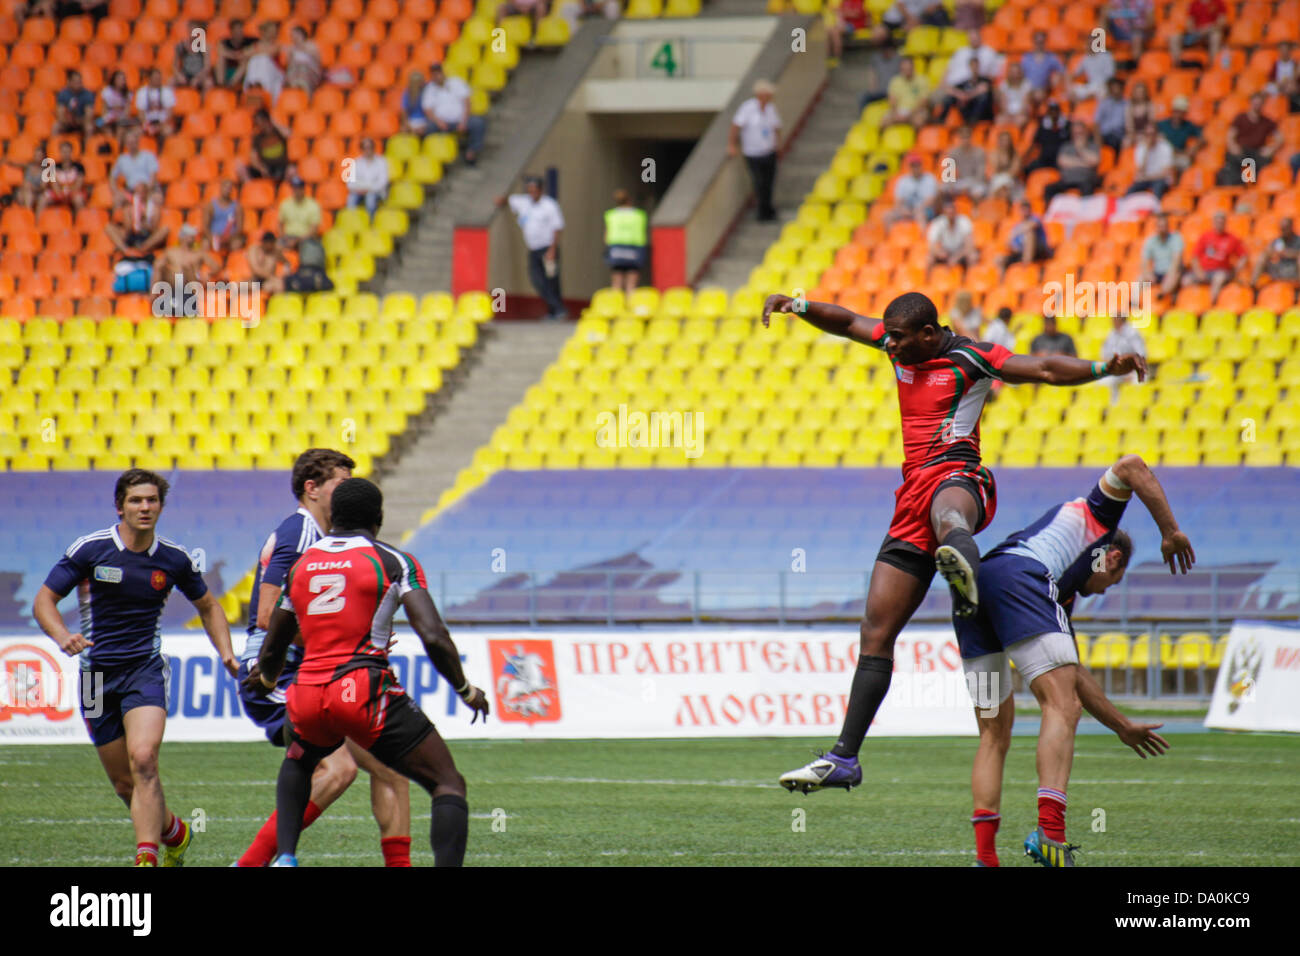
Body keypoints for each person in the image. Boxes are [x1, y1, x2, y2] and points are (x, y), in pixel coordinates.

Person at [763, 291, 1147, 794]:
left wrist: (1102, 367)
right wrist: (798, 305)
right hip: (910, 501)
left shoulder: (971, 358)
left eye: (900, 337)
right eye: (890, 336)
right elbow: (848, 321)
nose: (891, 345)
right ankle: (845, 758)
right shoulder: (894, 342)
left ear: (928, 333)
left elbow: (1047, 368)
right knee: (875, 631)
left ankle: (961, 568)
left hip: (960, 478)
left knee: (948, 515)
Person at [958, 454, 1192, 866]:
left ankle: (985, 858)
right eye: (1111, 582)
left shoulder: (1061, 593)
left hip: (975, 588)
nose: (1101, 591)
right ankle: (1051, 833)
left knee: (993, 734)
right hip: (1019, 576)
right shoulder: (1099, 518)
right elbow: (1133, 465)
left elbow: (1076, 675)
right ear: (1113, 560)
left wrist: (1121, 726)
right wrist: (1170, 532)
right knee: (1060, 706)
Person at [244, 477, 490, 867]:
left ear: (334, 515)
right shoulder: (393, 560)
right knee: (447, 782)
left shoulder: (303, 564)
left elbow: (274, 643)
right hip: (361, 688)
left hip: (307, 691)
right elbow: (433, 635)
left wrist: (269, 679)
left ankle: (286, 857)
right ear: (378, 517)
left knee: (299, 760)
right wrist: (464, 688)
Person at [32, 469, 237, 867]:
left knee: (143, 759)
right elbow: (44, 600)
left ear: (161, 505)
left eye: (152, 500)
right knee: (125, 785)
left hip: (144, 670)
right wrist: (62, 637)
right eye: (136, 500)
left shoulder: (174, 559)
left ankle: (147, 859)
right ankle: (176, 832)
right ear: (120, 506)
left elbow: (209, 606)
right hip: (93, 678)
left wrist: (226, 652)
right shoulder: (90, 550)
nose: (145, 507)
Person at [234, 451, 412, 868]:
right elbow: (265, 614)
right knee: (338, 770)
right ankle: (253, 863)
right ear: (311, 489)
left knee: (385, 766)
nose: (347, 490)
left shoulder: (322, 537)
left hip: (313, 669)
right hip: (278, 671)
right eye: (338, 482)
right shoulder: (301, 533)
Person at [494, 176, 567, 319]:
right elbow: (507, 200)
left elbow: (557, 228)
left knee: (552, 281)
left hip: (548, 249)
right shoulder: (524, 202)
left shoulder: (549, 205)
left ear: (541, 190)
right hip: (533, 249)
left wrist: (552, 250)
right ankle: (556, 309)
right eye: (530, 191)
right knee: (536, 280)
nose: (532, 193)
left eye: (535, 190)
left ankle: (556, 310)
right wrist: (500, 200)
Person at [729, 79, 782, 222]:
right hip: (753, 153)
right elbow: (735, 126)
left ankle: (768, 210)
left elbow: (776, 128)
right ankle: (762, 211)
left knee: (769, 182)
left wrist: (778, 145)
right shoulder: (747, 108)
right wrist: (732, 145)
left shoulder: (771, 108)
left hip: (769, 151)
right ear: (760, 94)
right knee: (759, 182)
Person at [421, 63, 487, 166]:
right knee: (429, 127)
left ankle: (471, 152)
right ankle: (434, 156)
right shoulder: (430, 88)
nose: (437, 76)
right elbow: (428, 110)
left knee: (478, 123)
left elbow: (467, 102)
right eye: (434, 74)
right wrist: (439, 122)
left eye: (438, 73)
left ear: (443, 73)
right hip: (441, 122)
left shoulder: (456, 82)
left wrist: (463, 122)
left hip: (460, 120)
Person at [1219, 92, 1282, 184]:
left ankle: (1249, 184)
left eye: (1259, 104)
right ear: (1251, 103)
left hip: (1256, 152)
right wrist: (1233, 146)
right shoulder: (1240, 118)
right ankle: (1245, 183)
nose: (1257, 106)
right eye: (1255, 103)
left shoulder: (1267, 121)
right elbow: (1230, 136)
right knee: (1237, 159)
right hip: (1242, 151)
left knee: (1261, 161)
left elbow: (1280, 138)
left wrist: (1271, 149)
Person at [1184, 211, 1245, 303]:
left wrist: (1236, 270)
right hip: (1204, 271)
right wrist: (1199, 273)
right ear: (1213, 222)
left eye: (1221, 222)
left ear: (1225, 223)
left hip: (1221, 271)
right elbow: (1194, 257)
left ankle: (1211, 304)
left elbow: (1244, 256)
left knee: (1219, 278)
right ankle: (1190, 305)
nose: (1219, 224)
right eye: (1217, 221)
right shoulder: (1205, 236)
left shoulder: (1231, 238)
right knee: (1186, 280)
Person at [1042, 122, 1100, 203]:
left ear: (1086, 132)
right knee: (1049, 189)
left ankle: (1086, 212)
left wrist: (1080, 149)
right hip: (1067, 180)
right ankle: (1050, 212)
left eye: (1080, 133)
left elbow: (1095, 161)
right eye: (1075, 133)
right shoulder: (1066, 146)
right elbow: (1062, 161)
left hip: (1086, 179)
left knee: (1087, 188)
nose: (1078, 136)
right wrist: (1084, 163)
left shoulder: (1092, 146)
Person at [604, 188, 648, 292]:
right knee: (631, 284)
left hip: (616, 249)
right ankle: (630, 305)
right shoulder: (640, 215)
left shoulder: (611, 215)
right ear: (630, 200)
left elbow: (606, 235)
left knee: (616, 284)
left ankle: (615, 306)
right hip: (634, 249)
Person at [154, 224, 219, 288]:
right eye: (190, 236)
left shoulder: (199, 253)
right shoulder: (170, 251)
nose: (193, 238)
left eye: (193, 236)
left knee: (186, 268)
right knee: (159, 266)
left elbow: (216, 267)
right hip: (172, 283)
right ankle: (153, 296)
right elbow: (157, 264)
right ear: (182, 237)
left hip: (191, 284)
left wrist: (207, 274)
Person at [1101, 314, 1147, 401]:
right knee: (1103, 382)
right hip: (1116, 369)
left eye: (1114, 318)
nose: (1112, 321)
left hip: (1132, 369)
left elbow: (1141, 355)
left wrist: (1130, 371)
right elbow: (1105, 356)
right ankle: (1112, 408)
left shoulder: (1133, 333)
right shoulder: (1111, 334)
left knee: (1138, 383)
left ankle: (1135, 406)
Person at [1140, 212, 1185, 298]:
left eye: (1164, 226)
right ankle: (1133, 301)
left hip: (1171, 272)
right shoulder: (1150, 241)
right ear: (1156, 227)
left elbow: (1176, 261)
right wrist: (1148, 274)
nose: (1162, 229)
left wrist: (1169, 275)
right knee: (1141, 278)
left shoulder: (1176, 238)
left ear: (1168, 227)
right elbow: (1144, 262)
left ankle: (1162, 296)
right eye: (1160, 226)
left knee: (1174, 276)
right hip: (1157, 272)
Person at [1169, 0, 1227, 66]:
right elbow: (1189, 23)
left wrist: (1208, 29)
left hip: (1210, 32)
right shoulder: (1194, 3)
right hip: (1196, 33)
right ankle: (1178, 64)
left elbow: (1222, 22)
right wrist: (1195, 31)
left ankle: (1212, 65)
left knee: (1216, 36)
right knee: (1174, 38)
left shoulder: (1218, 2)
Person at [886, 153, 939, 224]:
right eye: (913, 166)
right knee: (888, 216)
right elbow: (898, 201)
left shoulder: (929, 178)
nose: (915, 168)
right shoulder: (903, 180)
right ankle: (891, 235)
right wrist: (903, 210)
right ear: (909, 167)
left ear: (921, 165)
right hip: (908, 209)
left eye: (917, 165)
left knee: (920, 215)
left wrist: (917, 209)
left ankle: (922, 235)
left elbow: (931, 200)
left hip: (925, 209)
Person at [1000, 199, 1051, 272]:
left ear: (1030, 209)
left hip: (1039, 251)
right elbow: (1010, 243)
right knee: (1000, 259)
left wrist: (1015, 233)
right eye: (1022, 209)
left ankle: (1026, 266)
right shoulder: (1017, 225)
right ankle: (1003, 281)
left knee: (1029, 234)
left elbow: (1031, 225)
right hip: (1022, 252)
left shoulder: (1035, 218)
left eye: (1026, 208)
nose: (1024, 211)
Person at [240, 109, 290, 184]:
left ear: (266, 120)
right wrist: (261, 169)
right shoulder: (257, 137)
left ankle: (284, 191)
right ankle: (251, 191)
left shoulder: (278, 132)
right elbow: (253, 157)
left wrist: (274, 123)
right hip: (265, 168)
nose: (258, 124)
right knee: (241, 168)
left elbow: (289, 134)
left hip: (281, 167)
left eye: (259, 121)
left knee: (291, 170)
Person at [38, 140, 87, 215]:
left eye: (67, 151)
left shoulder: (79, 167)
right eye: (63, 151)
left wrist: (69, 192)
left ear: (71, 152)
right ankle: (37, 223)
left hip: (73, 192)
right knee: (42, 198)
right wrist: (61, 193)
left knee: (78, 200)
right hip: (58, 192)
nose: (65, 154)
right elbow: (54, 184)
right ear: (60, 152)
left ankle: (80, 222)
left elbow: (78, 184)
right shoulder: (53, 166)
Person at [109, 130, 159, 204]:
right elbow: (112, 177)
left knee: (157, 199)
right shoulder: (122, 159)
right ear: (126, 144)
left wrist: (144, 190)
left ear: (138, 142)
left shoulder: (148, 155)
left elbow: (153, 177)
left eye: (133, 142)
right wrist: (116, 192)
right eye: (129, 143)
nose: (132, 145)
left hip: (147, 189)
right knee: (117, 200)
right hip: (131, 191)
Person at [1156, 95, 1203, 172]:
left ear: (1185, 113)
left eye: (1181, 112)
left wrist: (1193, 149)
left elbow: (1202, 138)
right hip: (1163, 156)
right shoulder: (1163, 124)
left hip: (1178, 155)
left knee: (1186, 163)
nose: (1178, 115)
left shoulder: (1188, 126)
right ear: (1172, 111)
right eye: (1176, 111)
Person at [881, 55, 930, 129]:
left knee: (918, 121)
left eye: (909, 69)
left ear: (913, 68)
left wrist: (910, 114)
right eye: (905, 69)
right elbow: (892, 100)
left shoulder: (922, 80)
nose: (907, 71)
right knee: (883, 122)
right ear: (901, 69)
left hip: (916, 110)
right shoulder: (895, 81)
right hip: (899, 110)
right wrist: (896, 113)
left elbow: (923, 102)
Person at [926, 197, 977, 268]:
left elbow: (969, 245)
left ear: (956, 211)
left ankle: (970, 277)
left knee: (972, 256)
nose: (950, 215)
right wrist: (940, 252)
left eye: (952, 212)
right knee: (929, 258)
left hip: (961, 252)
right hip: (945, 252)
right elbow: (932, 246)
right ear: (944, 213)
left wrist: (956, 257)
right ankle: (928, 278)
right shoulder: (937, 223)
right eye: (948, 213)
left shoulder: (964, 221)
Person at [1127, 125, 1175, 198]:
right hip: (1147, 179)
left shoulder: (1165, 147)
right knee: (1131, 190)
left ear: (1157, 134)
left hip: (1160, 179)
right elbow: (1140, 171)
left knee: (1157, 188)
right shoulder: (1141, 148)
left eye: (1152, 134)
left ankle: (1157, 208)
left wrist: (1146, 177)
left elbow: (1166, 173)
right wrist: (1146, 150)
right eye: (1147, 134)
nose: (1150, 137)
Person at [1023, 100, 1070, 173]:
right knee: (1028, 169)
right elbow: (1035, 143)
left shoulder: (1067, 126)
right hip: (1045, 159)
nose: (1053, 113)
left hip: (1061, 159)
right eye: (1051, 111)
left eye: (1055, 110)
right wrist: (1025, 158)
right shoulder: (1042, 127)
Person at [346, 137, 389, 218]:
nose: (367, 150)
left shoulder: (381, 162)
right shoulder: (357, 162)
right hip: (359, 192)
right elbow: (350, 184)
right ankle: (351, 221)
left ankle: (370, 222)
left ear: (373, 148)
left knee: (370, 198)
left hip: (376, 193)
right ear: (361, 149)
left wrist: (365, 188)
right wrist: (365, 188)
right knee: (351, 199)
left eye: (369, 147)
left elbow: (382, 183)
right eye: (365, 148)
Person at [244, 21, 285, 104]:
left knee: (263, 59)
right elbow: (244, 53)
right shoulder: (256, 45)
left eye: (274, 32)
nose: (273, 34)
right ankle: (254, 85)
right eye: (270, 31)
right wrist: (257, 51)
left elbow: (271, 52)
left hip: (276, 75)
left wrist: (255, 51)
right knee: (254, 60)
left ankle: (263, 87)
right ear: (264, 32)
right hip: (260, 73)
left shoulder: (277, 44)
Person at [943, 124, 987, 199]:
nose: (965, 140)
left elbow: (980, 174)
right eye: (963, 137)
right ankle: (949, 208)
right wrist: (951, 185)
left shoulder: (979, 152)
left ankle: (975, 210)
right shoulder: (953, 152)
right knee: (943, 188)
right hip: (961, 181)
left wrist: (969, 186)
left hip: (975, 181)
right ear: (959, 138)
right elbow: (949, 173)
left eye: (967, 137)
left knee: (979, 190)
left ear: (971, 137)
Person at [1251, 217, 1300, 284]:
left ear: (1291, 227)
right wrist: (1272, 252)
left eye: (1285, 228)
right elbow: (1268, 250)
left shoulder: (1298, 240)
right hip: (1279, 268)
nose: (1283, 231)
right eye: (1282, 229)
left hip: (1293, 268)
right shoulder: (1278, 241)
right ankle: (1253, 283)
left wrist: (1288, 253)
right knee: (1263, 256)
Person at [134, 68, 178, 140]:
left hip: (163, 123)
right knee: (136, 132)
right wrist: (147, 126)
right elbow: (141, 113)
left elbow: (170, 113)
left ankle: (164, 150)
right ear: (149, 78)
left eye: (159, 78)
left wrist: (160, 126)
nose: (158, 79)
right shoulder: (142, 92)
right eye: (155, 78)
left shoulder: (167, 91)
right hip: (147, 123)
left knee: (168, 131)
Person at [1020, 31, 1065, 102]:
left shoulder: (1051, 57)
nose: (1039, 45)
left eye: (1041, 42)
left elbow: (1062, 71)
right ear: (1033, 42)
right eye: (1037, 42)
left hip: (1043, 88)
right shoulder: (1026, 57)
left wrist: (1056, 77)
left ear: (1045, 42)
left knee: (1038, 94)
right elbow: (1020, 74)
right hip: (1027, 88)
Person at [278, 175, 321, 248]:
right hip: (288, 237)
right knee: (272, 248)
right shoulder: (285, 204)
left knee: (309, 251)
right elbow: (280, 225)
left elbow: (313, 230)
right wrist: (284, 237)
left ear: (303, 189)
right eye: (294, 188)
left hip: (306, 239)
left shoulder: (313, 205)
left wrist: (297, 241)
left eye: (299, 188)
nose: (296, 191)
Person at [1106, 0, 1153, 66]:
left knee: (1137, 36)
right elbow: (1107, 11)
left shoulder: (1146, 1)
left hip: (1139, 31)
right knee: (1104, 17)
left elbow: (1151, 22)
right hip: (1119, 30)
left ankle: (1137, 66)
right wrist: (1117, 14)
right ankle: (1099, 53)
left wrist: (1138, 27)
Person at [203, 178, 245, 252]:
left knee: (236, 244)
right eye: (225, 187)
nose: (227, 190)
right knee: (205, 244)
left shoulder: (237, 207)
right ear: (221, 188)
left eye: (229, 188)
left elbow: (240, 228)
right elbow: (205, 227)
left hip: (231, 237)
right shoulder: (210, 206)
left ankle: (233, 262)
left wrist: (228, 238)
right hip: (214, 235)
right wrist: (213, 238)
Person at [97, 69, 136, 145]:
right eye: (119, 79)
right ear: (114, 80)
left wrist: (120, 118)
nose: (121, 81)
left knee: (121, 127)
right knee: (98, 123)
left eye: (123, 79)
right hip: (109, 117)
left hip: (122, 119)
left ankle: (117, 146)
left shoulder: (128, 93)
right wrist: (106, 118)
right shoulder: (106, 91)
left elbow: (127, 112)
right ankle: (110, 143)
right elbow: (103, 110)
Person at [173, 19, 215, 90]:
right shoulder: (180, 46)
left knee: (208, 83)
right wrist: (179, 76)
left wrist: (198, 78)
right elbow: (175, 66)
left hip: (199, 75)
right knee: (171, 82)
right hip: (185, 74)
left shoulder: (205, 47)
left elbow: (207, 67)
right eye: (191, 29)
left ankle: (203, 100)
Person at [55, 69, 96, 139]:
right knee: (56, 126)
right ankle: (55, 146)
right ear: (69, 82)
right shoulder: (63, 94)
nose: (78, 84)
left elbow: (89, 115)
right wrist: (67, 120)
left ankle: (87, 148)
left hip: (82, 121)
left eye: (79, 81)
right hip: (67, 121)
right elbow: (60, 113)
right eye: (75, 81)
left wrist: (78, 121)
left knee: (89, 127)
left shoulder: (87, 94)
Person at [248, 230, 291, 294]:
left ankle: (275, 303)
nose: (269, 246)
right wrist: (272, 277)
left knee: (278, 285)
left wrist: (286, 271)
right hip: (255, 280)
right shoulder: (254, 250)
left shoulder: (275, 252)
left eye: (271, 243)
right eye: (268, 243)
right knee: (240, 286)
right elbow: (256, 270)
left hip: (267, 282)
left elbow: (286, 262)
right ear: (263, 242)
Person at [218, 18, 257, 88]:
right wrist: (235, 56)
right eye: (236, 30)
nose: (239, 32)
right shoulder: (225, 42)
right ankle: (221, 85)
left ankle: (231, 84)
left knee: (245, 61)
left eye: (240, 29)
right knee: (220, 59)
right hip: (228, 68)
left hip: (243, 70)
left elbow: (253, 50)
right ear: (231, 31)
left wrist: (241, 55)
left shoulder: (250, 41)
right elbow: (221, 52)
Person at [1093, 77, 1128, 155]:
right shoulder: (1104, 103)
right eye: (1113, 88)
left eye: (1117, 88)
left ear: (1122, 89)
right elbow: (1096, 123)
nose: (1115, 90)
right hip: (1105, 136)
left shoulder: (1127, 104)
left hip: (1120, 136)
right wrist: (1098, 141)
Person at [986, 130, 1023, 201]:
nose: (1005, 142)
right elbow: (995, 169)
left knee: (1005, 185)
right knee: (1000, 184)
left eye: (1007, 140)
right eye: (1003, 140)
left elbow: (1014, 172)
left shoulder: (1015, 154)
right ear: (999, 141)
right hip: (997, 178)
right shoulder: (994, 153)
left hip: (1011, 180)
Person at [284, 24, 322, 93]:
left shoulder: (311, 45)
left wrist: (301, 47)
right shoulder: (291, 48)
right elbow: (289, 65)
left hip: (309, 72)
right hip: (295, 72)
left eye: (296, 35)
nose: (294, 37)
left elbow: (318, 61)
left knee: (303, 69)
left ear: (301, 34)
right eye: (292, 36)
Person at [995, 60, 1033, 127]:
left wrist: (1018, 114)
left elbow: (1025, 104)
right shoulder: (1004, 85)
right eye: (1013, 72)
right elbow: (1003, 104)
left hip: (1021, 113)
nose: (1015, 75)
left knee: (1020, 120)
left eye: (1017, 72)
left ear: (1020, 73)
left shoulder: (1026, 85)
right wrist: (1008, 115)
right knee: (999, 120)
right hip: (1007, 113)